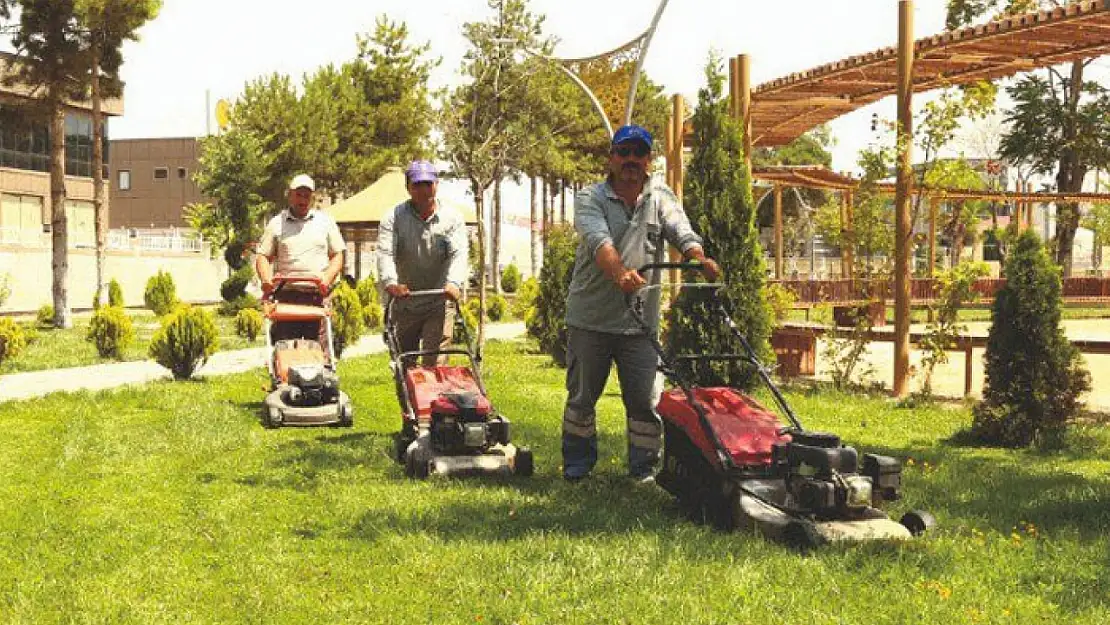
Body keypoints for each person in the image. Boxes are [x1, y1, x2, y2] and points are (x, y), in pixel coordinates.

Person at [562, 124, 721, 483]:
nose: (631, 160)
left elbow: (680, 228)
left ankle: (644, 469)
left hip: (640, 324)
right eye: (624, 152)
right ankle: (577, 466)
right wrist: (619, 273)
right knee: (582, 399)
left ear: (649, 159)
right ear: (612, 158)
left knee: (644, 402)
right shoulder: (591, 198)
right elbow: (599, 242)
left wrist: (697, 256)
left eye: (639, 153)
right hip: (591, 318)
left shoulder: (660, 196)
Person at [377, 160, 469, 368]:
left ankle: (436, 400)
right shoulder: (393, 218)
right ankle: (409, 400)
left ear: (436, 184)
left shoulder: (452, 218)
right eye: (417, 185)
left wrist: (454, 283)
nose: (423, 190)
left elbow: (459, 253)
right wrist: (391, 283)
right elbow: (385, 252)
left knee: (435, 364)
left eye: (428, 184)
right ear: (408, 187)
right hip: (405, 303)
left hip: (438, 302)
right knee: (404, 365)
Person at [255, 173, 346, 357]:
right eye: (298, 194)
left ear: (312, 197)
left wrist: (326, 279)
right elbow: (263, 256)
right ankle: (286, 382)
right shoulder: (276, 224)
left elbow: (337, 255)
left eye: (307, 195)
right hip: (287, 296)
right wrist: (266, 280)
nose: (302, 200)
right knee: (287, 350)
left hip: (317, 296)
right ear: (290, 195)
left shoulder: (325, 222)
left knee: (320, 351)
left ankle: (322, 381)